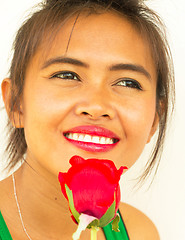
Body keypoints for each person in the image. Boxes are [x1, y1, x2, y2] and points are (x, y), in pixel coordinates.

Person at [0, 0, 175, 239]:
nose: (97, 106)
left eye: (127, 83)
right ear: (16, 103)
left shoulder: (139, 232)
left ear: (155, 119)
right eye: (67, 75)